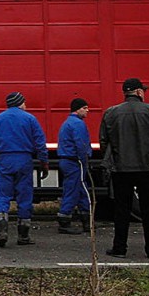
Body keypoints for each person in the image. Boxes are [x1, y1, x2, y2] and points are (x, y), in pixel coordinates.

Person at [100, 78, 149, 259]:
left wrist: (115, 157)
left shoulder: (111, 113)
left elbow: (103, 141)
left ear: (125, 93)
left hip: (121, 169)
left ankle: (120, 248)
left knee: (122, 210)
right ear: (139, 92)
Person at [0, 92, 50, 247]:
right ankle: (23, 235)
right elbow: (40, 142)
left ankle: (1, 231)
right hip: (24, 160)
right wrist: (44, 163)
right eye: (24, 102)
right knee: (25, 196)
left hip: (5, 160)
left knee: (2, 196)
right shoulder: (30, 119)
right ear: (20, 103)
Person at [56, 98, 92, 234]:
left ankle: (84, 221)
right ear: (78, 109)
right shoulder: (78, 124)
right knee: (75, 190)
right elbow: (81, 145)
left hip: (68, 160)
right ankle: (66, 220)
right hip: (75, 161)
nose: (87, 110)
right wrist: (85, 159)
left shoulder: (68, 123)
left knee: (78, 189)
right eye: (85, 108)